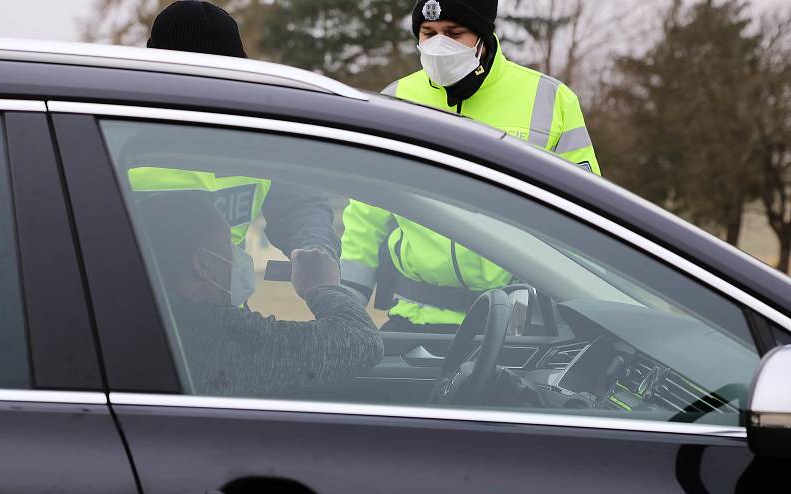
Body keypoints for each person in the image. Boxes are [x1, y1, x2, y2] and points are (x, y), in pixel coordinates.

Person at [340, 0, 600, 332]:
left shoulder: (550, 100)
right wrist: (349, 295)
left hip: (513, 330)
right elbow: (366, 211)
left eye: (453, 33)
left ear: (481, 35)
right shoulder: (394, 99)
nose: (438, 45)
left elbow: (578, 220)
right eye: (428, 33)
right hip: (414, 323)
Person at [134, 0, 340, 303]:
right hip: (135, 315)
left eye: (219, 75)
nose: (206, 92)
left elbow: (300, 203)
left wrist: (312, 245)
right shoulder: (123, 133)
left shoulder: (255, 137)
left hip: (225, 318)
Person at [138, 193, 383, 397]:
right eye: (229, 248)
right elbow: (358, 341)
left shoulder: (140, 324)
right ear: (201, 265)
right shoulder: (211, 333)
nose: (238, 260)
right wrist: (323, 288)